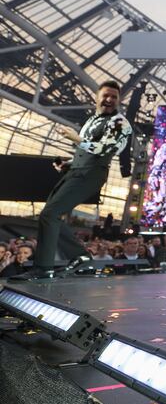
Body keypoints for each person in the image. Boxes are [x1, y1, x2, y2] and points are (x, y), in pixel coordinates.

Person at [14, 81, 132, 280]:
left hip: (91, 175)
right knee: (49, 215)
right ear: (97, 97)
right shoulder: (92, 120)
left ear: (119, 100)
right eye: (106, 95)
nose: (110, 100)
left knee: (50, 214)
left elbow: (104, 149)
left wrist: (76, 139)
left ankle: (44, 268)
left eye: (114, 97)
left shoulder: (121, 123)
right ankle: (80, 256)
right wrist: (68, 163)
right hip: (76, 172)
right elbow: (85, 151)